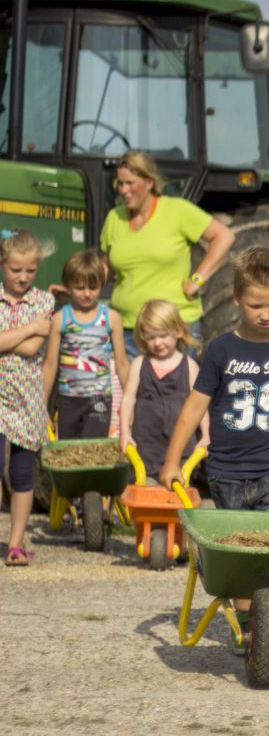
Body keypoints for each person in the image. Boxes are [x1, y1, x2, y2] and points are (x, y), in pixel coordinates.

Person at [160, 247, 269, 513]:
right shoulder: (220, 350)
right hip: (226, 473)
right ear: (237, 298)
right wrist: (172, 461)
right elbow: (195, 406)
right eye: (255, 306)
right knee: (236, 544)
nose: (265, 314)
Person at [100, 151, 234, 357]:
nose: (123, 190)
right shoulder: (114, 217)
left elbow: (223, 237)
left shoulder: (177, 211)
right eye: (120, 184)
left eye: (130, 183)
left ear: (149, 182)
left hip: (173, 330)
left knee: (176, 389)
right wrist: (77, 288)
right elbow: (104, 269)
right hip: (127, 330)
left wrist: (197, 280)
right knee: (130, 390)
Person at [0, 230, 56, 566]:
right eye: (15, 269)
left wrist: (10, 337)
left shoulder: (44, 302)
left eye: (30, 271)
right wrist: (31, 328)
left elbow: (34, 348)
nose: (22, 277)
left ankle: (15, 544)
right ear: (3, 264)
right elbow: (31, 338)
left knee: (22, 475)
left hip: (27, 399)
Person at [42, 250, 129, 440]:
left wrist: (132, 402)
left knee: (92, 450)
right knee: (70, 453)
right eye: (80, 287)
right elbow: (49, 365)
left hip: (99, 398)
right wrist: (41, 406)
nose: (87, 293)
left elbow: (122, 363)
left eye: (93, 287)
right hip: (68, 399)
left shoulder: (111, 318)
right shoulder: (59, 319)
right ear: (68, 286)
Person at [120, 300, 206, 481]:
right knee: (148, 494)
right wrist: (125, 433)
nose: (157, 342)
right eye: (151, 337)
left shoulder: (189, 366)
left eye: (162, 335)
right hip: (147, 448)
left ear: (178, 331)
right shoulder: (139, 365)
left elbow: (200, 406)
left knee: (177, 498)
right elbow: (128, 400)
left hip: (181, 451)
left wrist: (206, 435)